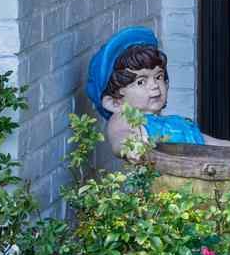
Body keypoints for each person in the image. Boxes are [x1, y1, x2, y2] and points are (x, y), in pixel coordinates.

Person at [85, 26, 203, 164]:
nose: (154, 85)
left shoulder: (178, 123)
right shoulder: (127, 119)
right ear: (114, 102)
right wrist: (131, 146)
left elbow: (207, 145)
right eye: (141, 82)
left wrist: (228, 148)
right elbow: (120, 135)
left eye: (158, 77)